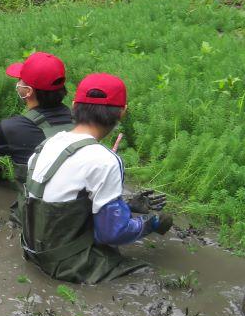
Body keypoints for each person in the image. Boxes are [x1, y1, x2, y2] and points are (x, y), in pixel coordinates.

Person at [19, 73, 172, 284]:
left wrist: (127, 206)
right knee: (150, 275)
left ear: (74, 106)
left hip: (32, 252)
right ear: (122, 112)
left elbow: (63, 200)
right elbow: (111, 234)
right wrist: (150, 224)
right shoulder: (106, 160)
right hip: (68, 266)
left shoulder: (49, 143)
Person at [0, 52, 73, 183]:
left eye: (20, 79)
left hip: (36, 202)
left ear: (28, 91)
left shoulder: (11, 128)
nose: (17, 83)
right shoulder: (81, 121)